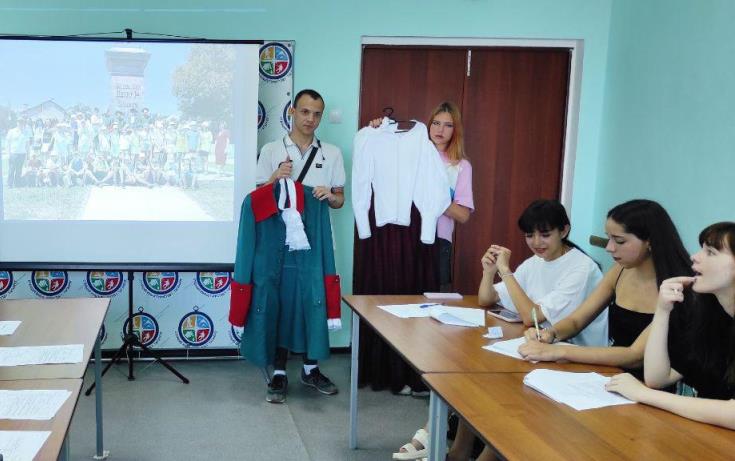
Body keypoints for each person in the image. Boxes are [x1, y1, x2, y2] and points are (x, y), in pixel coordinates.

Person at [517, 199, 692, 373]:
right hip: (611, 372)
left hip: (649, 380)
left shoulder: (676, 287)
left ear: (650, 241)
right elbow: (576, 321)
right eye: (609, 238)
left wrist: (559, 351)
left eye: (619, 241)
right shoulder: (619, 271)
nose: (609, 248)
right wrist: (551, 333)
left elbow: (635, 356)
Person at [254, 89, 346, 404]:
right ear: (292, 112)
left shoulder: (331, 153)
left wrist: (329, 196)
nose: (311, 119)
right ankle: (279, 371)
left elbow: (339, 200)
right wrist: (274, 178)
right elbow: (257, 200)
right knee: (283, 299)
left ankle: (310, 368)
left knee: (313, 299)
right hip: (280, 243)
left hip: (316, 242)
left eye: (317, 114)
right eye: (305, 112)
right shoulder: (271, 150)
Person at [606, 221, 735, 430]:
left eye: (711, 252)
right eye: (701, 249)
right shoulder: (709, 316)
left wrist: (645, 395)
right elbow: (657, 378)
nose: (695, 257)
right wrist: (663, 310)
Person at [369, 101, 473, 293]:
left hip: (438, 239)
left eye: (448, 125)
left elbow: (463, 215)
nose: (440, 129)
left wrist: (434, 197)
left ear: (455, 130)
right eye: (436, 123)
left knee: (433, 300)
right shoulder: (410, 152)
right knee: (397, 295)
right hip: (404, 234)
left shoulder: (460, 166)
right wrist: (376, 131)